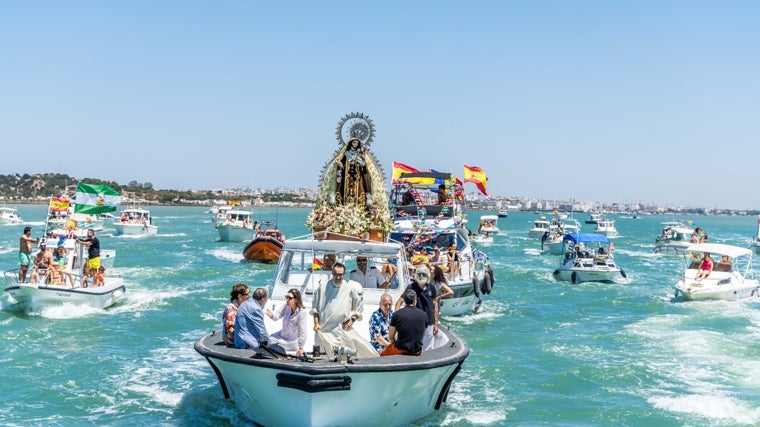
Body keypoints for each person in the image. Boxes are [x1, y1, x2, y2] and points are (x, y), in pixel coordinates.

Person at [311, 262, 377, 358]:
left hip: (341, 330)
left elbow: (359, 306)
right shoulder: (323, 287)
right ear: (332, 274)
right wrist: (316, 323)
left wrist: (353, 319)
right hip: (323, 330)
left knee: (348, 356)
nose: (338, 277)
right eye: (336, 274)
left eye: (340, 275)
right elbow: (315, 308)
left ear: (344, 274)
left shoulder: (349, 288)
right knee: (322, 358)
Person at [396, 264, 448, 351]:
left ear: (427, 275)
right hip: (415, 323)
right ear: (416, 275)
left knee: (427, 348)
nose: (421, 276)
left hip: (429, 323)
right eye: (419, 274)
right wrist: (397, 318)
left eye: (423, 274)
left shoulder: (431, 288)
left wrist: (436, 324)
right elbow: (399, 302)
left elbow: (435, 306)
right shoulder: (411, 287)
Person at [381, 289, 427, 356]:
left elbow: (391, 336)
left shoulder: (397, 314)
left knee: (382, 354)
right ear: (415, 301)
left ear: (404, 301)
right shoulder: (424, 315)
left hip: (401, 349)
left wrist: (393, 345)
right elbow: (422, 334)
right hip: (417, 350)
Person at [266, 288, 309, 356]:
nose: (287, 300)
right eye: (286, 297)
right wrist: (271, 315)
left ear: (296, 300)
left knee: (272, 346)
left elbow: (302, 332)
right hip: (282, 336)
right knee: (269, 339)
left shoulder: (301, 313)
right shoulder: (286, 305)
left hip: (292, 342)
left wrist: (301, 347)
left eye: (290, 298)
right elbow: (278, 315)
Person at [336, 137, 372, 206]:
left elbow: (364, 164)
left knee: (360, 189)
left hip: (357, 176)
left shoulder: (360, 153)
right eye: (354, 142)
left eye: (357, 143)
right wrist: (340, 165)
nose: (355, 144)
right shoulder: (347, 153)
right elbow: (341, 161)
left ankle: (360, 206)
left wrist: (360, 159)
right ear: (351, 143)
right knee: (343, 189)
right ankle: (344, 205)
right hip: (347, 176)